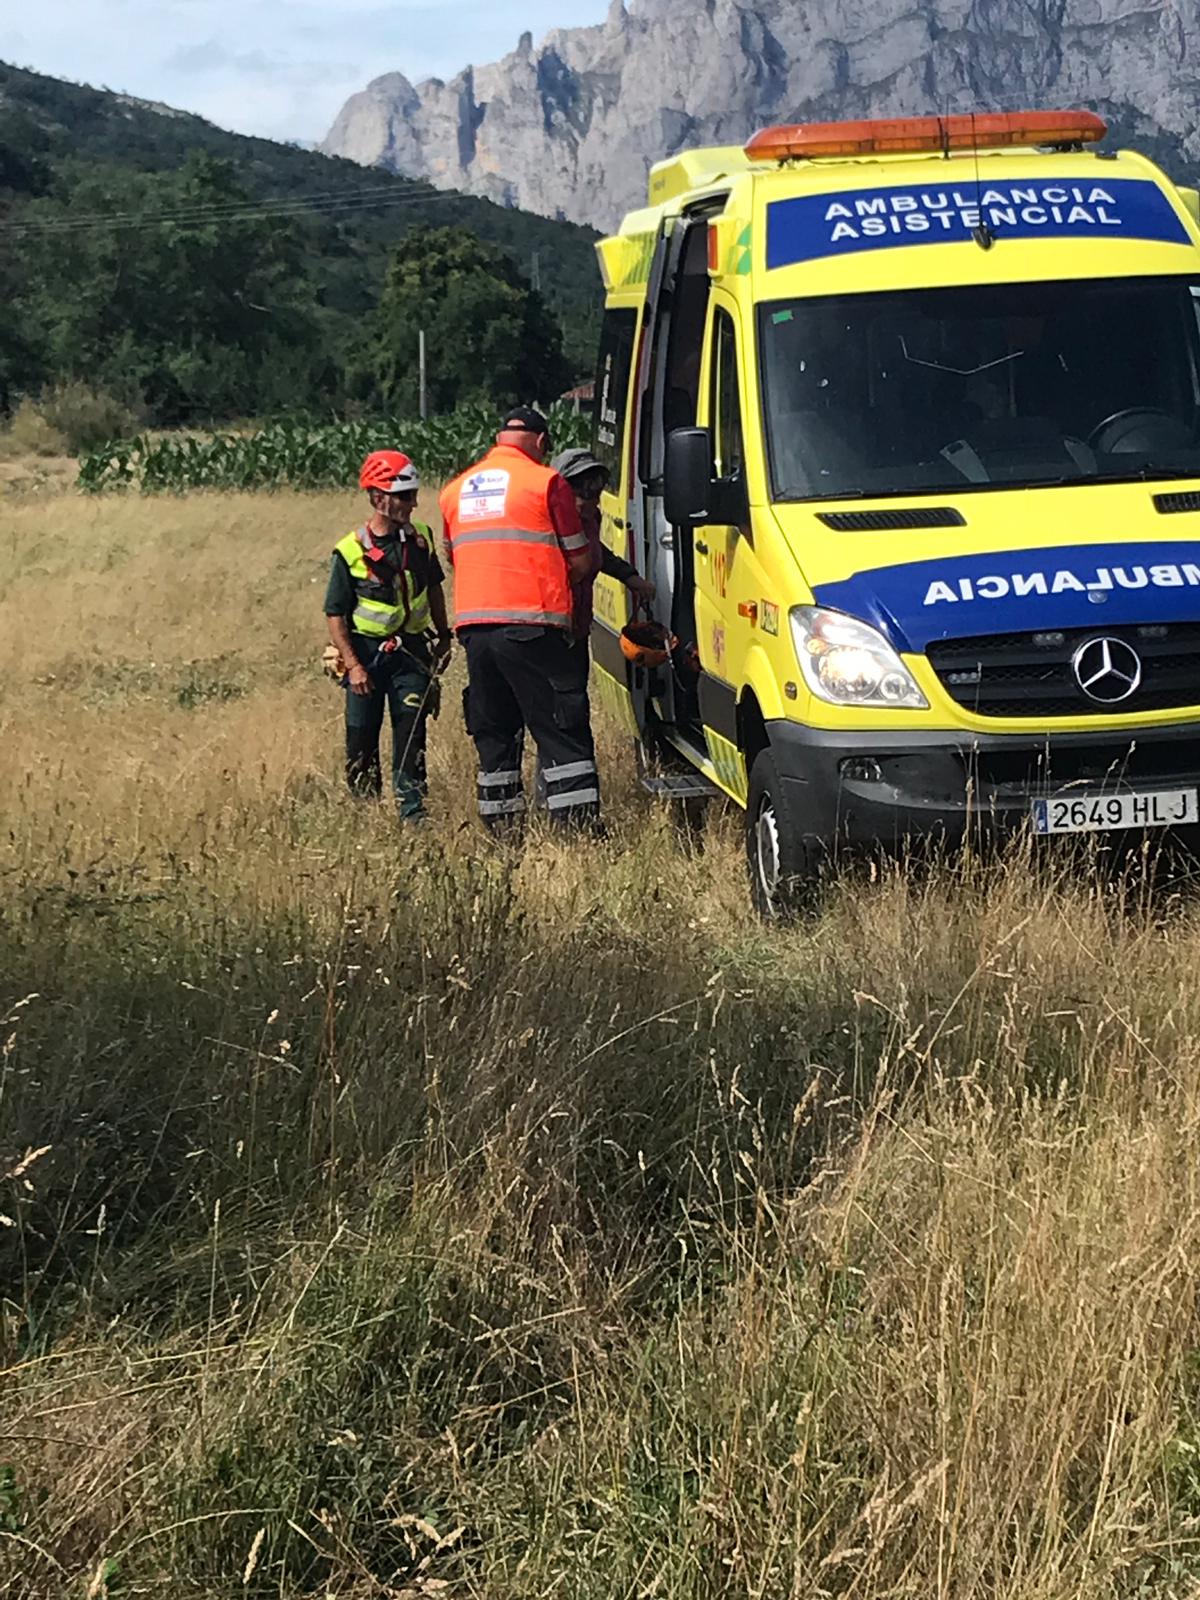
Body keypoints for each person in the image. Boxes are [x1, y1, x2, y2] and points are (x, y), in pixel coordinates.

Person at [440, 406, 601, 831]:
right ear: (543, 443)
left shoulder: (454, 491)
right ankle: (577, 830)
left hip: (475, 629)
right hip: (533, 626)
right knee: (561, 729)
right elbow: (581, 560)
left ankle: (501, 831)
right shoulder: (546, 483)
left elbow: (454, 554)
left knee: (495, 735)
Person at [325, 450, 452, 819]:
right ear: (378, 497)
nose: (413, 503)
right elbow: (335, 613)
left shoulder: (422, 540)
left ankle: (412, 812)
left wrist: (444, 637)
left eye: (413, 494)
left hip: (411, 653)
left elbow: (434, 588)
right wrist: (353, 665)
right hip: (364, 657)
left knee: (411, 731)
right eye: (405, 496)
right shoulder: (350, 551)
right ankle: (366, 814)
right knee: (361, 737)